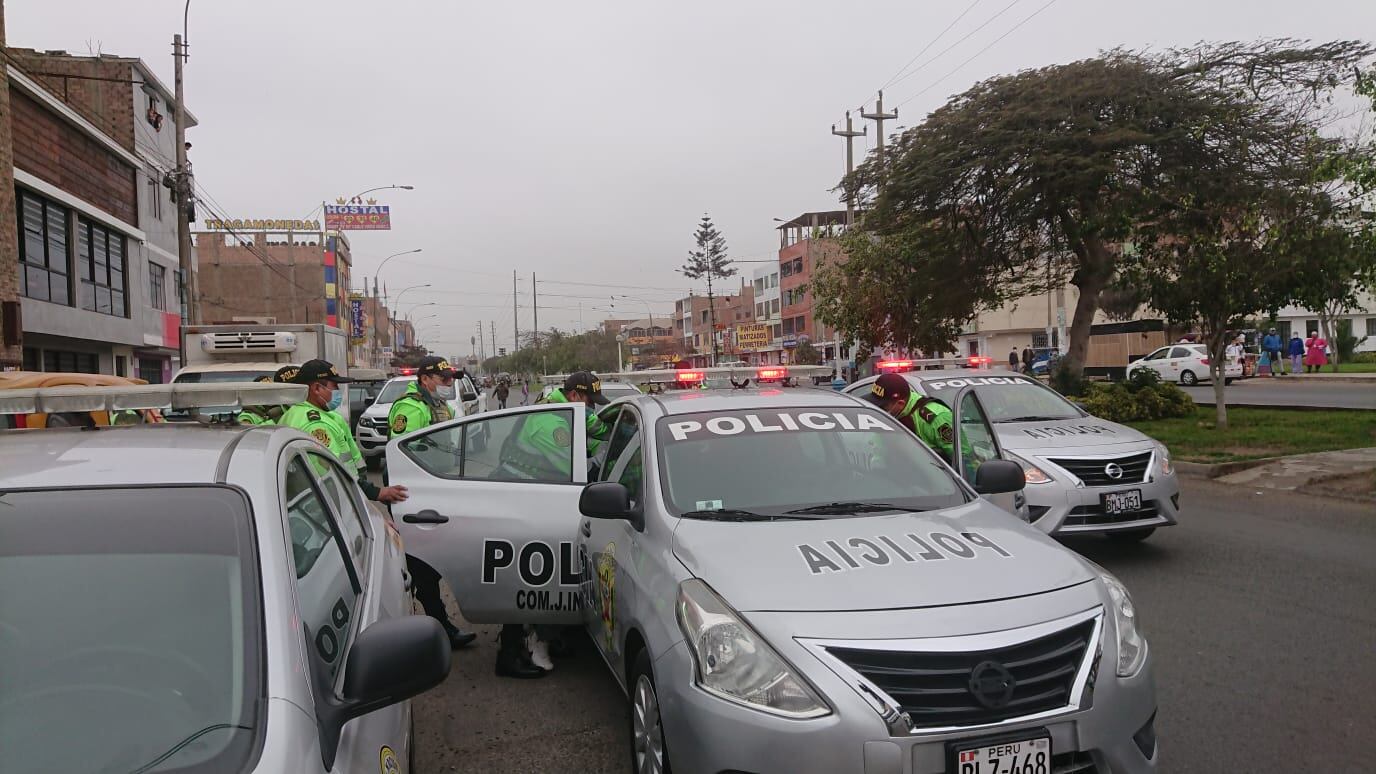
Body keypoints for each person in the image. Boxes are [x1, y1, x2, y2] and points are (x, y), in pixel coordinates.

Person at [493, 371, 612, 679]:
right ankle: (512, 653)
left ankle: (545, 637)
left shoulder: (565, 412)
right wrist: (603, 457)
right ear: (575, 396)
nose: (593, 408)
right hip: (521, 505)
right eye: (590, 401)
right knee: (527, 581)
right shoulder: (550, 422)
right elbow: (574, 470)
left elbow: (592, 429)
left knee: (538, 579)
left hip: (534, 502)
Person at [383, 356, 478, 650]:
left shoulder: (440, 406)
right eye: (443, 379)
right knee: (421, 564)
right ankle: (433, 628)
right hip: (414, 494)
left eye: (451, 379)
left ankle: (429, 623)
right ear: (425, 379)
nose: (449, 384)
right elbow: (405, 455)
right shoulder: (410, 408)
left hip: (437, 487)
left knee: (429, 564)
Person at [865, 372, 955, 463]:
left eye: (882, 407)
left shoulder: (936, 418)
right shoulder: (887, 418)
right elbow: (879, 456)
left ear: (900, 404)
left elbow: (962, 459)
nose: (877, 409)